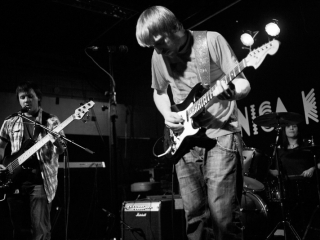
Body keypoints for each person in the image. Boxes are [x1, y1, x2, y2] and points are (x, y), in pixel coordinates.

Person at [136, 6, 251, 240]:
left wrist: (232, 93)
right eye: (152, 47)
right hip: (185, 142)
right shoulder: (158, 57)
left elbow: (242, 84)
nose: (157, 50)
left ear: (173, 27)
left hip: (221, 135)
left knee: (223, 217)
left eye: (158, 42)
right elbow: (159, 92)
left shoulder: (210, 40)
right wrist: (166, 113)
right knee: (195, 220)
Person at [0, 81, 66, 240]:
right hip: (14, 180)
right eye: (22, 97)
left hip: (40, 181)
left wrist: (57, 141)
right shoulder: (10, 121)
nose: (26, 100)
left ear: (38, 98)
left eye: (30, 96)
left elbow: (62, 149)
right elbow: (1, 145)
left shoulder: (51, 121)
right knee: (19, 230)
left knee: (40, 230)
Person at [268, 124, 320, 235]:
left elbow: (318, 163)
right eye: (288, 126)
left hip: (309, 188)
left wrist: (312, 168)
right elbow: (277, 172)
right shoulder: (279, 150)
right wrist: (265, 170)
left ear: (298, 129)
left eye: (294, 126)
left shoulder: (308, 146)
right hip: (289, 190)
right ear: (284, 130)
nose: (291, 128)